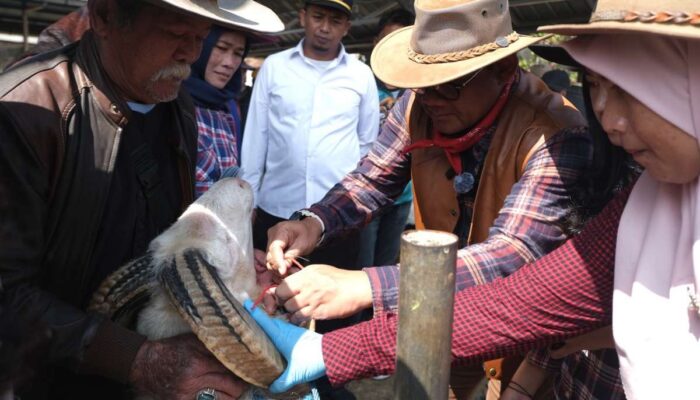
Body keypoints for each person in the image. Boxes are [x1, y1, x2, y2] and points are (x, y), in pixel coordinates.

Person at [247, 0, 700, 399]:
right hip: (467, 321)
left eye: (451, 84)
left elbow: (513, 258)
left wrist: (365, 287)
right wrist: (313, 224)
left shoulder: (559, 135)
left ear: (504, 71)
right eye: (596, 87)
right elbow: (526, 300)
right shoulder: (651, 203)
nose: (609, 118)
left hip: (519, 347)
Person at [0, 0, 282, 399]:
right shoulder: (25, 114)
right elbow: (7, 292)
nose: (191, 53)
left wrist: (223, 264)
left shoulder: (175, 103)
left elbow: (159, 231)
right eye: (175, 33)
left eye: (200, 38)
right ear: (105, 17)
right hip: (42, 379)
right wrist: (136, 359)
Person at [357, 8, 415, 269]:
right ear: (375, 43)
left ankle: (381, 313)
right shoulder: (361, 83)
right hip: (366, 194)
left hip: (402, 197)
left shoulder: (419, 89)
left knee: (386, 266)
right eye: (386, 39)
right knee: (363, 266)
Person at [184, 26, 250, 198]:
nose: (229, 62)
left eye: (238, 53)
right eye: (221, 48)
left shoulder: (229, 109)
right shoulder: (167, 102)